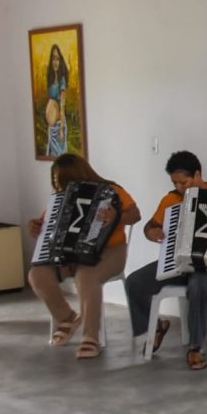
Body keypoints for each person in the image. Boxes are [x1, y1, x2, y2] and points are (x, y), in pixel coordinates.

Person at [124, 151, 207, 369]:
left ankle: (196, 348)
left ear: (197, 175)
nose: (179, 188)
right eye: (174, 183)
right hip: (177, 264)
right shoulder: (171, 200)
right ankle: (155, 327)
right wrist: (152, 232)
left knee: (199, 284)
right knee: (135, 282)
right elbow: (150, 226)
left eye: (183, 182)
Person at [28, 153, 141, 359]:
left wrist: (117, 216)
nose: (59, 186)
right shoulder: (61, 198)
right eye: (56, 182)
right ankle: (67, 318)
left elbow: (135, 215)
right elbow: (48, 225)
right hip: (69, 255)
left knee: (86, 276)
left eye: (63, 181)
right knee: (37, 275)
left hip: (110, 252)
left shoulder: (112, 190)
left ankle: (91, 337)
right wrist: (37, 226)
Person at [45, 44, 69, 157]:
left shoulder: (62, 80)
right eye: (53, 59)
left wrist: (61, 130)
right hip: (51, 128)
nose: (55, 62)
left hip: (59, 126)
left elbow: (62, 105)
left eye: (58, 59)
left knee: (60, 158)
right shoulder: (50, 79)